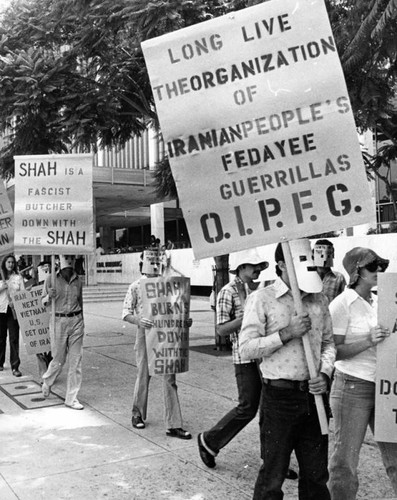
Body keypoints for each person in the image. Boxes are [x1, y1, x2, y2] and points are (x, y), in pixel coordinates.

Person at [239, 239, 335, 500]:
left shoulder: (319, 300)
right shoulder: (261, 299)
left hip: (314, 398)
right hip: (279, 399)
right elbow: (245, 348)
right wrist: (286, 333)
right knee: (273, 475)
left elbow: (328, 344)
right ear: (281, 264)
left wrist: (325, 375)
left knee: (316, 477)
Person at [328, 247, 397, 499]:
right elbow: (333, 351)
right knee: (345, 462)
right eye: (372, 266)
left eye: (381, 265)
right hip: (352, 386)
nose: (378, 270)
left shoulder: (382, 300)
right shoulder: (341, 304)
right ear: (356, 271)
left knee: (396, 455)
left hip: (385, 386)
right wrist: (369, 340)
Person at [198, 248, 277, 469]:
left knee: (269, 409)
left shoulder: (264, 290)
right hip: (245, 358)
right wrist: (244, 319)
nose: (258, 270)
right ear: (242, 268)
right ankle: (210, 440)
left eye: (261, 266)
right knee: (248, 407)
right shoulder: (227, 291)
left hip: (267, 356)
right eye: (254, 266)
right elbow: (221, 329)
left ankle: (271, 459)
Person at [122, 251, 192, 439]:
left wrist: (184, 320)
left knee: (170, 377)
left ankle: (174, 424)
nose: (154, 265)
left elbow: (176, 310)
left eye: (157, 261)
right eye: (150, 261)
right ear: (143, 263)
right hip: (144, 334)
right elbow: (125, 313)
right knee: (143, 374)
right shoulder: (136, 286)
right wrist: (138, 321)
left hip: (166, 334)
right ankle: (137, 413)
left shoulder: (168, 285)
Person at [41, 255, 85, 410]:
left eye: (72, 258)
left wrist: (83, 320)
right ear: (60, 261)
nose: (70, 261)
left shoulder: (78, 280)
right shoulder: (51, 279)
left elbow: (80, 301)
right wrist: (48, 296)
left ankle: (71, 398)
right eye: (67, 258)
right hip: (58, 321)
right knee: (59, 359)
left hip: (76, 321)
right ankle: (47, 380)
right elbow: (42, 302)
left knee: (76, 360)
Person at [0, 254, 25, 376]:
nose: (10, 264)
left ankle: (15, 366)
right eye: (8, 262)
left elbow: (23, 293)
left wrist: (16, 302)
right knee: (1, 337)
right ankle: (0, 362)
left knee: (14, 338)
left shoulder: (18, 278)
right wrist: (1, 287)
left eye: (12, 262)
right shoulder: (0, 277)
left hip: (13, 311)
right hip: (1, 310)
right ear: (4, 263)